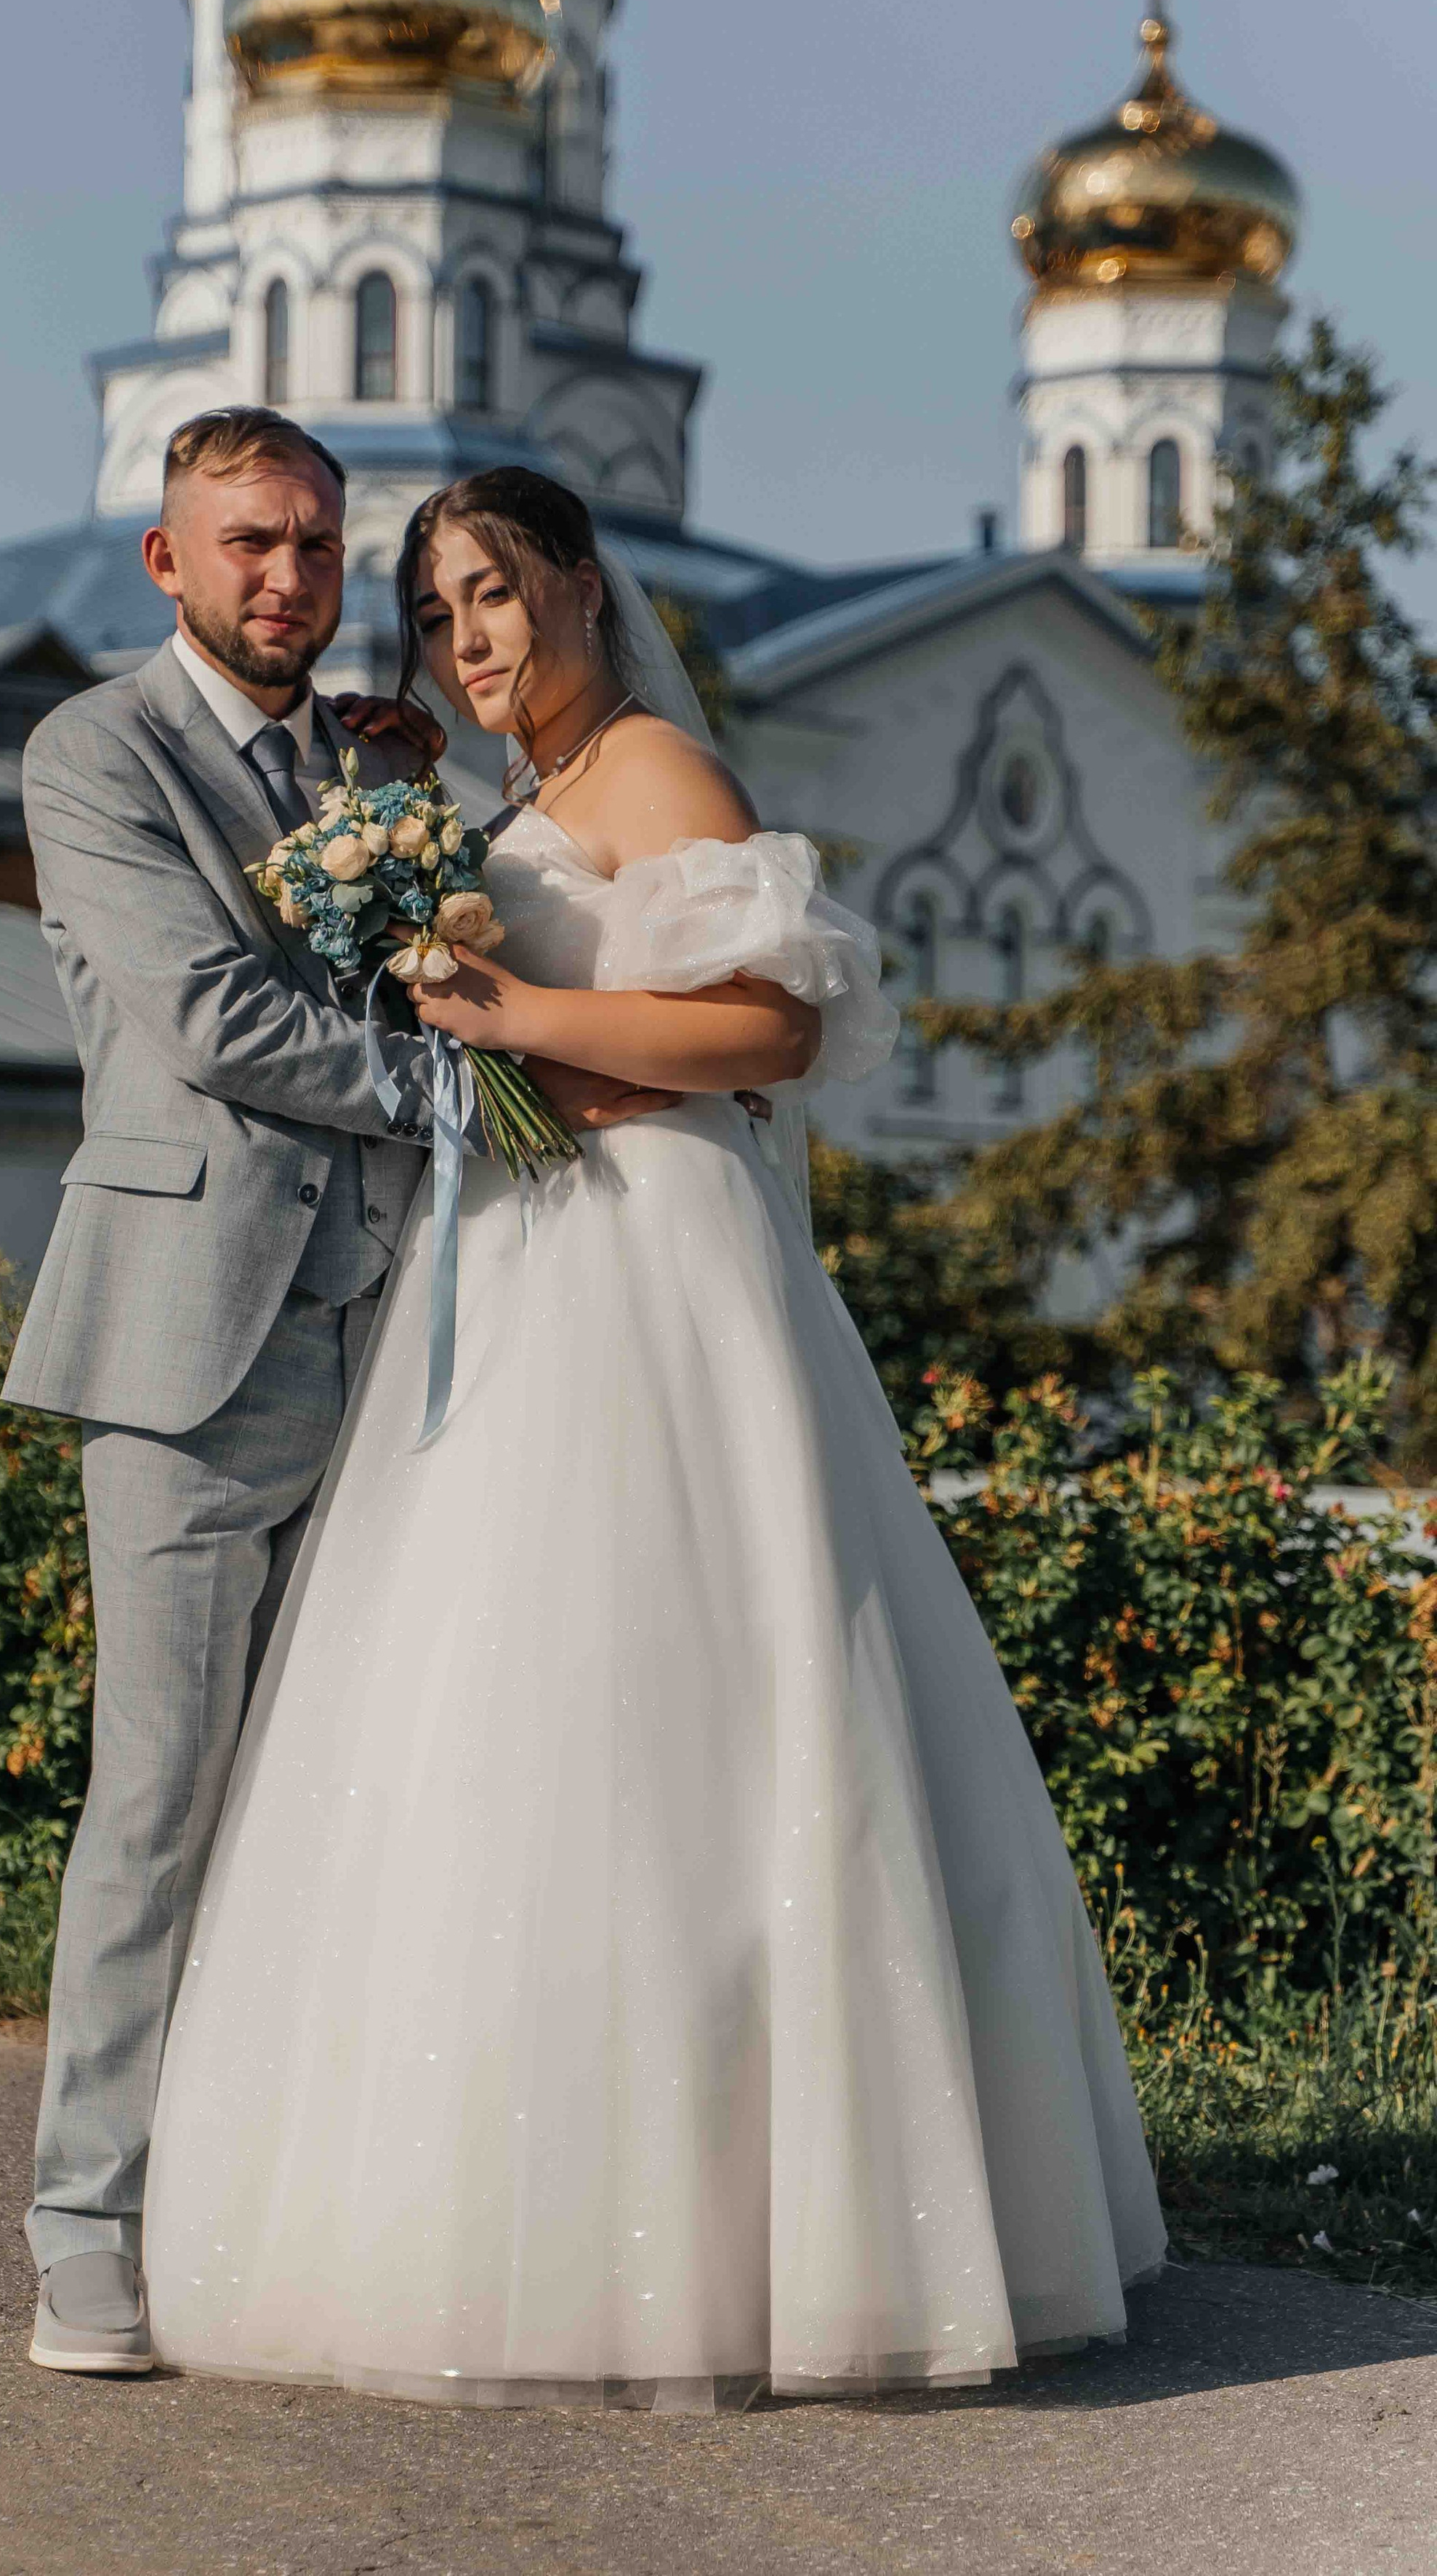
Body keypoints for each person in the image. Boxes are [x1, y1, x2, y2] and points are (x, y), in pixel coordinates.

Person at [141, 465, 1167, 2407]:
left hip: (658, 1252)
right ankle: (498, 2219)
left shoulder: (663, 776)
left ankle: (795, 2235)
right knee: (506, 1711)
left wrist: (516, 1012)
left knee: (704, 1682)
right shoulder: (509, 808)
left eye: (498, 596)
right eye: (442, 613)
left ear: (586, 589)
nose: (471, 640)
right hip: (524, 1253)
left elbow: (770, 1033)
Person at [3, 415, 670, 2375]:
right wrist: (482, 1097)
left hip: (398, 1335)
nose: (285, 578)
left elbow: (430, 956)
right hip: (189, 1345)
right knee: (161, 1798)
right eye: (247, 546)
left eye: (312, 545)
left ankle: (261, 2200)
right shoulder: (93, 753)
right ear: (165, 560)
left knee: (336, 1798)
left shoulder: (376, 759)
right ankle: (88, 2229)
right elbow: (210, 1020)